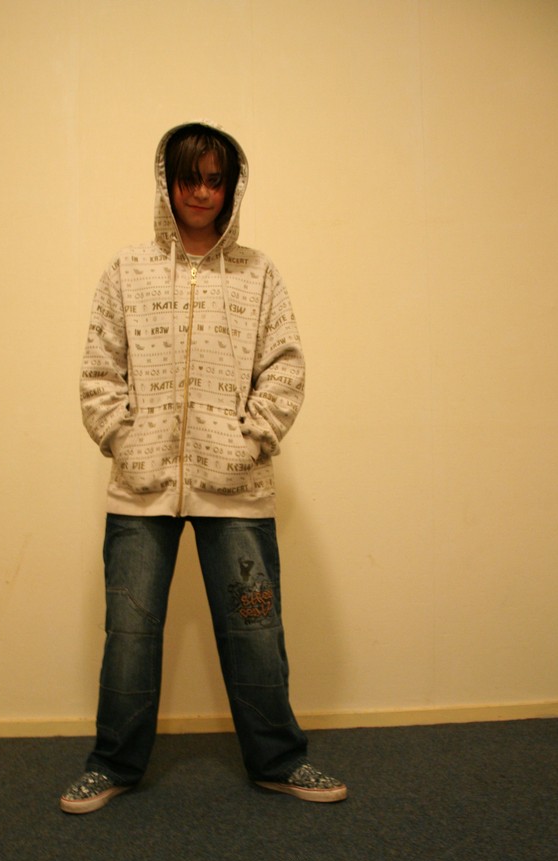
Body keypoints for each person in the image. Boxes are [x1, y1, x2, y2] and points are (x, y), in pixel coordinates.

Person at [60, 121, 347, 813]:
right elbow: (99, 369)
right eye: (189, 178)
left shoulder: (258, 274)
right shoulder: (126, 270)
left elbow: (284, 368)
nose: (200, 192)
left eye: (215, 180)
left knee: (255, 632)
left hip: (236, 489)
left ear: (231, 189)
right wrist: (125, 438)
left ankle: (280, 760)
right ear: (168, 183)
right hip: (141, 490)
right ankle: (113, 764)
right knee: (129, 636)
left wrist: (252, 437)